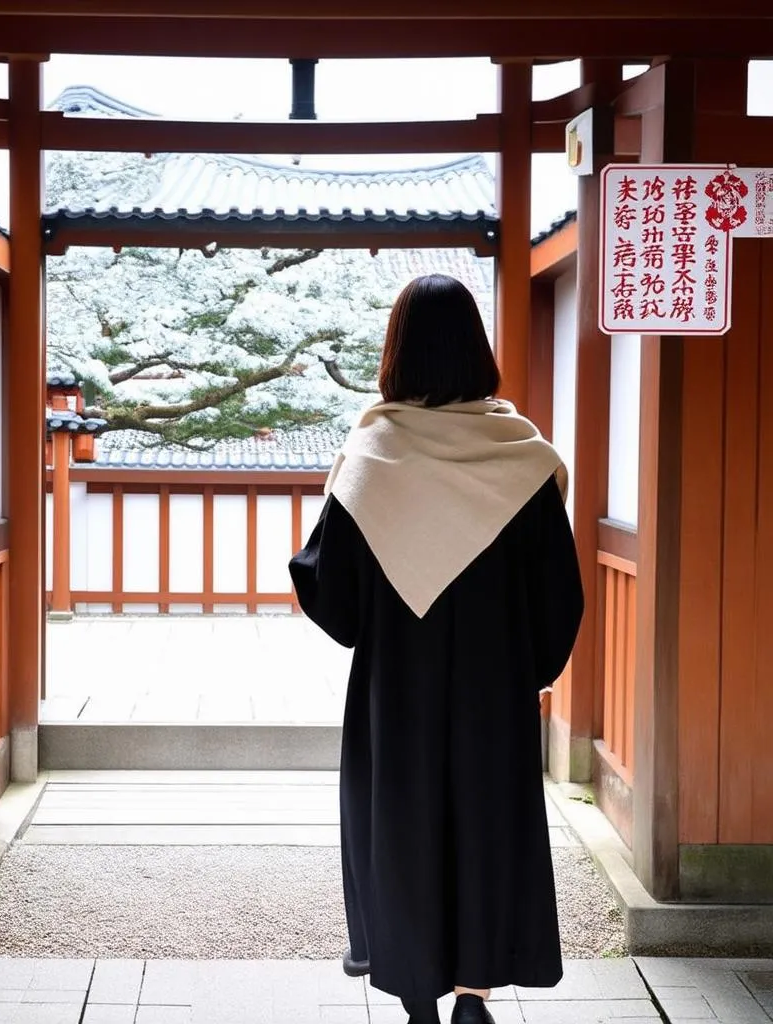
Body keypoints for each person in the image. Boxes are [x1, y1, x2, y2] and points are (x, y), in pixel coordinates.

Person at [289, 275, 584, 1024]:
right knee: (486, 825)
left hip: (399, 692)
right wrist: (526, 672)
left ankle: (416, 990)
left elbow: (334, 595)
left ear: (397, 353)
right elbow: (561, 597)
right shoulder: (521, 456)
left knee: (402, 825)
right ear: (476, 350)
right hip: (494, 691)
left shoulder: (373, 455)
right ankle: (475, 993)